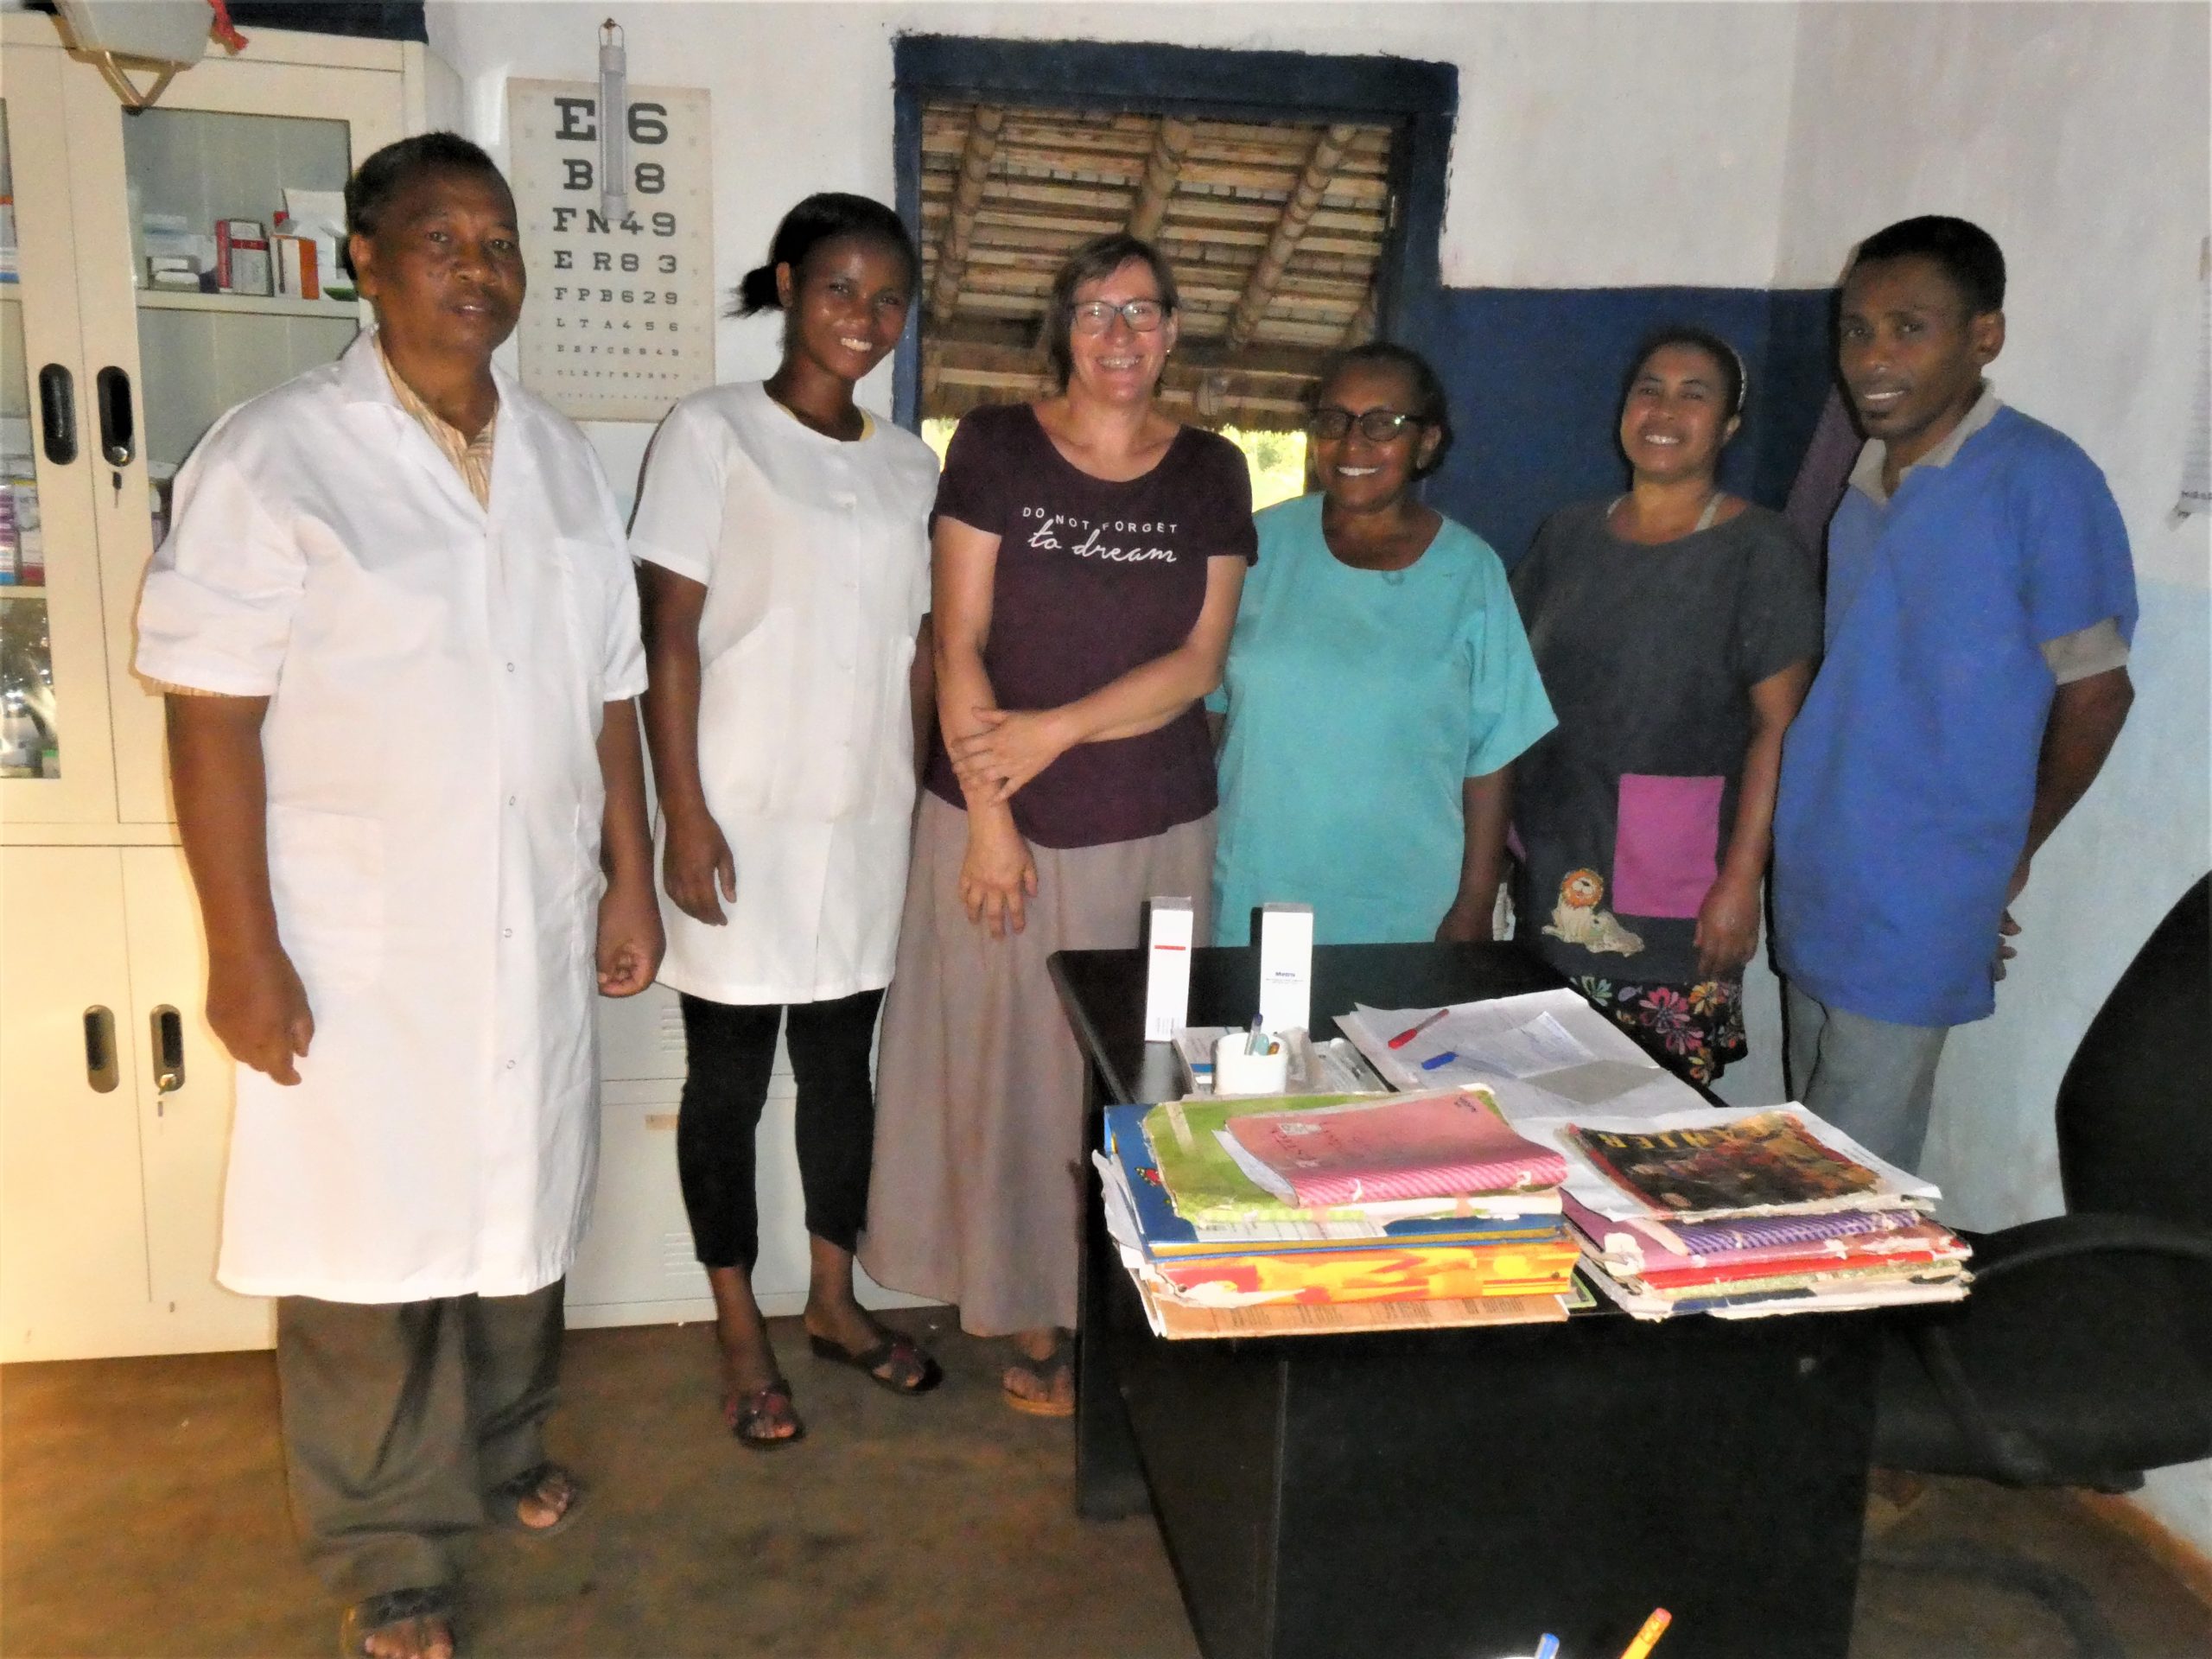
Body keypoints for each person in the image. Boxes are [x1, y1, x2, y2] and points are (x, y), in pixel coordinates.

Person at [135, 134, 660, 1659]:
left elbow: (611, 695)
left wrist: (630, 877)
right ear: (364, 261)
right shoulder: (274, 455)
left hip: (531, 908)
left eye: (499, 241)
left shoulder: (558, 457)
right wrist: (243, 952)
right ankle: (387, 1544)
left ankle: (503, 1447)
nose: (479, 267)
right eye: (443, 240)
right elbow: (211, 716)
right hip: (354, 933)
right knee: (362, 1245)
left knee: (519, 1205)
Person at [860, 233, 1255, 1414]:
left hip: (1153, 826)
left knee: (1128, 1070)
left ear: (1171, 331)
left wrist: (1053, 732)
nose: (1119, 335)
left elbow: (1198, 663)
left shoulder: (1211, 470)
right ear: (1063, 331)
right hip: (994, 827)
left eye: (1141, 311)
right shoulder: (993, 448)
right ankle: (1028, 1311)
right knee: (1005, 1069)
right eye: (1094, 311)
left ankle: (1121, 1310)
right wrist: (993, 816)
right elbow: (958, 640)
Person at [632, 194, 942, 1449]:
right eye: (839, 289)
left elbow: (919, 653)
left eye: (887, 298)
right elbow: (666, 636)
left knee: (839, 1075)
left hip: (863, 818)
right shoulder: (711, 432)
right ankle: (736, 1324)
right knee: (727, 1082)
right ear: (786, 286)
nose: (864, 316)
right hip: (739, 814)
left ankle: (831, 1300)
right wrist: (683, 813)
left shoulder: (911, 464)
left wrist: (920, 804)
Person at [1773, 215, 2137, 1168]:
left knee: (1849, 1188)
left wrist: (2007, 856)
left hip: (1920, 895)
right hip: (1818, 870)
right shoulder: (1860, 482)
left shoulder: (2039, 479)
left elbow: (2098, 694)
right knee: (1796, 1156)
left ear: (1985, 336)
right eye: (1856, 330)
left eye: (1909, 328)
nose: (1872, 357)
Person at [1511, 327, 1822, 1085]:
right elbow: (1510, 695)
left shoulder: (1760, 549)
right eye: (1649, 389)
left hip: (1677, 896)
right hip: (1554, 867)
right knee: (1535, 1104)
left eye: (1694, 395)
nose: (1664, 410)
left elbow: (1779, 726)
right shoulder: (1568, 535)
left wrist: (1740, 882)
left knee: (1651, 1119)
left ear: (1729, 426)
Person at [1208, 342, 1554, 946]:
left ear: (1426, 443)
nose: (1352, 443)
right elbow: (1206, 721)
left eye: (1382, 424)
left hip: (1408, 907)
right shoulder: (1258, 547)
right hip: (1251, 893)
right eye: (1334, 420)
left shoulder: (1469, 571)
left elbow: (1493, 756)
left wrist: (1475, 903)